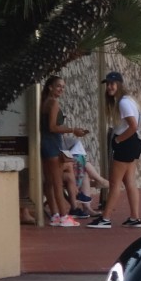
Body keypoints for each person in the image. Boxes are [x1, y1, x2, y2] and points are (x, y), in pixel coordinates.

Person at [89, 71, 141, 229]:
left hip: (126, 143)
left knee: (114, 183)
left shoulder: (123, 103)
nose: (110, 87)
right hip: (133, 143)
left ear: (119, 84)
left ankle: (105, 218)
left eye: (113, 84)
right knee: (129, 182)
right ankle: (135, 217)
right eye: (108, 84)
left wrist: (118, 140)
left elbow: (133, 126)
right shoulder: (128, 100)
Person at [40, 75, 89, 227]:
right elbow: (53, 127)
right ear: (50, 87)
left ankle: (55, 215)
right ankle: (63, 216)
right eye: (58, 86)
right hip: (53, 144)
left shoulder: (44, 102)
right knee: (57, 182)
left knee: (49, 182)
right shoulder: (53, 103)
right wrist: (73, 130)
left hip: (45, 143)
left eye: (63, 87)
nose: (61, 89)